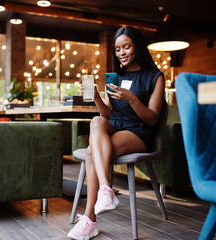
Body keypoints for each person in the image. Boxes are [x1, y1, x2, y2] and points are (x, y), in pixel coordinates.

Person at [67, 26, 165, 240]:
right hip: (117, 125)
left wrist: (131, 98)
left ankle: (90, 219)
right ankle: (105, 188)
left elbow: (152, 118)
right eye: (118, 49)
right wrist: (95, 97)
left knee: (94, 153)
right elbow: (108, 115)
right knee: (96, 121)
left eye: (126, 47)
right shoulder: (116, 77)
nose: (122, 53)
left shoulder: (155, 77)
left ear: (137, 47)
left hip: (138, 131)